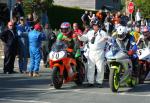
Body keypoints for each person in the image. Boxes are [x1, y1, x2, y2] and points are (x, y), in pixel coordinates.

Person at [78, 20, 109, 88]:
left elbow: (108, 39)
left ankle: (99, 82)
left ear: (99, 26)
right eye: (94, 25)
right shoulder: (90, 32)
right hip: (91, 52)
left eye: (96, 25)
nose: (94, 26)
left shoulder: (103, 33)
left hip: (99, 52)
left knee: (100, 67)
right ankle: (90, 81)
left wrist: (106, 39)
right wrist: (80, 36)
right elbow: (84, 38)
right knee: (90, 67)